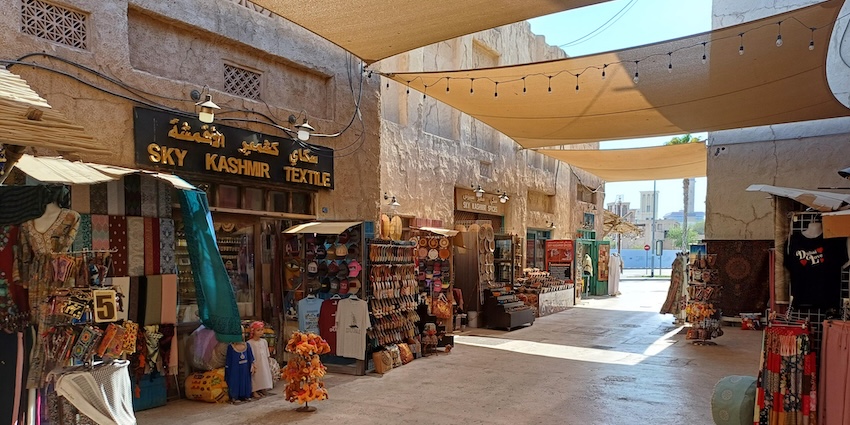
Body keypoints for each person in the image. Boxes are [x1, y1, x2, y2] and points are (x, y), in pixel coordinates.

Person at [247, 321, 274, 398]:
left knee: (264, 374)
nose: (260, 332)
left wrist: (268, 361)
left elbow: (267, 352)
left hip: (264, 362)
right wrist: (252, 363)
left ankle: (263, 388)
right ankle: (254, 391)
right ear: (253, 331)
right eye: (258, 330)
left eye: (262, 330)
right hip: (255, 362)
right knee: (255, 376)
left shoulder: (264, 341)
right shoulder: (249, 343)